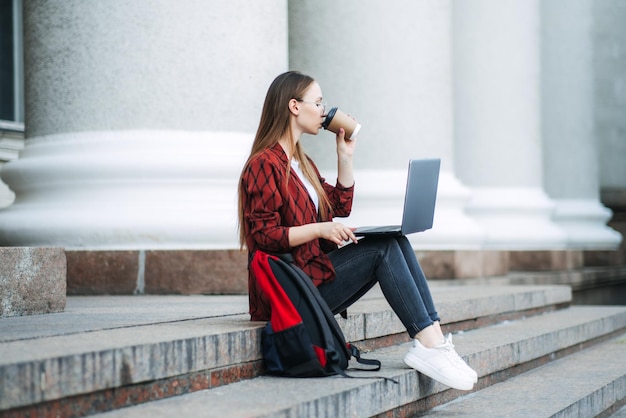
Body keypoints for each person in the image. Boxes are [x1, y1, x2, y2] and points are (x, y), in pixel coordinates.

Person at [237, 70, 477, 391]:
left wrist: (345, 156)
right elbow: (263, 236)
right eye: (318, 102)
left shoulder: (300, 163)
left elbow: (338, 207)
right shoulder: (264, 164)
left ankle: (433, 339)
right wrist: (319, 230)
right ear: (294, 106)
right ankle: (430, 346)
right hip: (290, 291)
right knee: (382, 250)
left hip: (313, 279)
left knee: (393, 239)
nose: (325, 111)